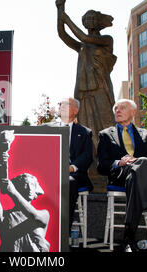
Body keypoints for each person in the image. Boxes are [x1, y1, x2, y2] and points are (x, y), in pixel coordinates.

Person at [97, 99, 147, 252]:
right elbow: (101, 166)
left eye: (122, 108)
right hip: (121, 175)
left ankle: (128, 239)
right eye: (116, 108)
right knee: (141, 167)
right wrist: (119, 163)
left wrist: (141, 163)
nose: (117, 110)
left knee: (142, 166)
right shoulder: (105, 135)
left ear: (133, 112)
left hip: (138, 179)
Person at [55, 0, 116, 143]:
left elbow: (84, 37)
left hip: (100, 90)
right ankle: (89, 165)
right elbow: (62, 33)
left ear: (98, 21)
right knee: (85, 129)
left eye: (92, 17)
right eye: (86, 18)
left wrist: (66, 18)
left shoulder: (105, 40)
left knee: (106, 126)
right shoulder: (82, 46)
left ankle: (106, 162)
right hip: (83, 91)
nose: (89, 20)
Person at [0, 131, 50, 252]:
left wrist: (13, 192)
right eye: (25, 185)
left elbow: (34, 217)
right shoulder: (5, 217)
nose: (29, 188)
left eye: (31, 185)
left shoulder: (43, 214)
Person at [46, 98, 93, 232]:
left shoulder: (85, 132)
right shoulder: (47, 129)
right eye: (60, 104)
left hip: (74, 175)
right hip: (49, 173)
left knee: (69, 182)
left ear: (76, 110)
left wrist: (71, 167)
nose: (61, 106)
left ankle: (63, 232)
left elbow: (87, 156)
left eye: (66, 104)